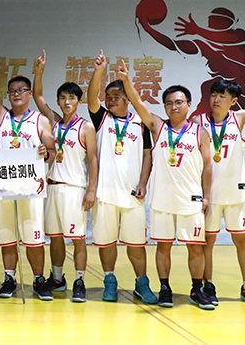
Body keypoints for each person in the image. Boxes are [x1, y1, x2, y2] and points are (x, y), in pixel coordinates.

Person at [117, 60, 215, 310]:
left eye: (179, 102)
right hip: (162, 199)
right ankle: (165, 288)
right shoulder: (158, 127)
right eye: (169, 103)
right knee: (163, 246)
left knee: (195, 247)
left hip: (190, 199)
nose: (174, 106)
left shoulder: (200, 132)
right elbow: (138, 103)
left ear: (189, 105)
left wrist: (206, 196)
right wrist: (127, 81)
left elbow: (207, 167)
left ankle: (197, 289)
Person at [192, 72, 245, 307]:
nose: (216, 99)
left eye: (222, 96)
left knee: (243, 241)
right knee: (207, 243)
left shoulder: (239, 118)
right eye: (213, 95)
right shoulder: (198, 122)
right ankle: (208, 285)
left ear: (233, 101)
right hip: (209, 194)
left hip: (235, 192)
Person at [0, 45, 54, 300]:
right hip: (3, 188)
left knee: (34, 238)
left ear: (30, 93)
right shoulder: (2, 116)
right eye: (12, 91)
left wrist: (45, 151)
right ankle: (9, 278)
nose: (16, 94)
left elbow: (52, 151)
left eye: (21, 90)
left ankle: (38, 279)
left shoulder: (40, 120)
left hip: (30, 189)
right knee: (7, 237)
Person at [87, 50, 157, 304]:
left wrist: (142, 183)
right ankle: (110, 281)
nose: (111, 100)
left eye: (117, 96)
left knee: (136, 243)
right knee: (106, 242)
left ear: (128, 99)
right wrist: (98, 71)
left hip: (132, 194)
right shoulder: (101, 118)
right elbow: (91, 99)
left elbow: (147, 154)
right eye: (108, 97)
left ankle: (142, 283)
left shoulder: (140, 122)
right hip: (105, 193)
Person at [32, 51, 98, 302]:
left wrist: (91, 190)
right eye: (63, 97)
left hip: (74, 188)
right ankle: (58, 278)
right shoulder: (53, 122)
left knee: (78, 239)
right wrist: (39, 71)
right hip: (52, 187)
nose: (67, 101)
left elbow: (93, 160)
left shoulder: (86, 127)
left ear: (79, 101)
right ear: (58, 101)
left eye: (71, 97)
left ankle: (80, 281)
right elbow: (38, 97)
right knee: (55, 238)